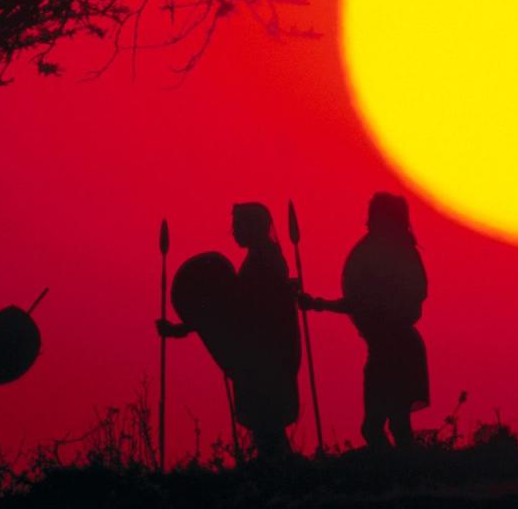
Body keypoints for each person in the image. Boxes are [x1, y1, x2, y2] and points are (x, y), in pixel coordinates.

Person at [158, 203, 301, 460]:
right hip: (266, 356)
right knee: (268, 431)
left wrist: (187, 326)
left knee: (267, 428)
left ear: (254, 227)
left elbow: (242, 308)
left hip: (264, 359)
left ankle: (279, 477)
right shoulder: (264, 258)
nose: (234, 232)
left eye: (238, 226)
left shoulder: (263, 262)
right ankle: (280, 473)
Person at [301, 193, 428, 449]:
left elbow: (364, 302)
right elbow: (360, 301)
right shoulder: (383, 252)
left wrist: (320, 304)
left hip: (396, 349)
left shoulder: (397, 254)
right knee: (386, 425)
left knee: (387, 425)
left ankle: (400, 475)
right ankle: (400, 473)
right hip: (386, 349)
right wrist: (319, 304)